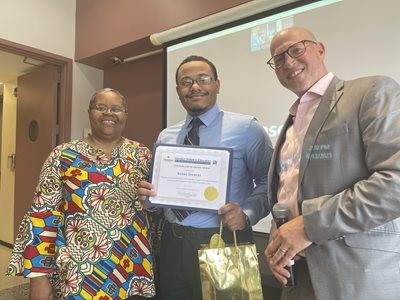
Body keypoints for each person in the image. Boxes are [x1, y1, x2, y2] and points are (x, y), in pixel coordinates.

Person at [264, 27, 400, 300]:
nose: (288, 62)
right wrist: (278, 240)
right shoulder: (290, 122)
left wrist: (308, 225)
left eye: (296, 49)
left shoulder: (371, 91)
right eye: (278, 59)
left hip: (356, 278)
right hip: (296, 276)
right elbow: (288, 195)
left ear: (320, 49)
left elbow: (395, 182)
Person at [138, 55, 273, 300]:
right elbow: (157, 196)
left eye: (203, 79)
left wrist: (247, 214)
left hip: (224, 239)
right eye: (186, 81)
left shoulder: (247, 128)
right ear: (179, 90)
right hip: (172, 241)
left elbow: (269, 182)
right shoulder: (167, 136)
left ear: (217, 85)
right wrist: (149, 197)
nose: (195, 86)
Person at [6, 88, 156, 299]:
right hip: (79, 272)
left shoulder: (142, 154)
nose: (109, 113)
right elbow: (41, 215)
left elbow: (156, 206)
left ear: (126, 115)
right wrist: (38, 276)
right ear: (89, 112)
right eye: (100, 108)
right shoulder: (62, 155)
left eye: (116, 109)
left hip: (133, 267)